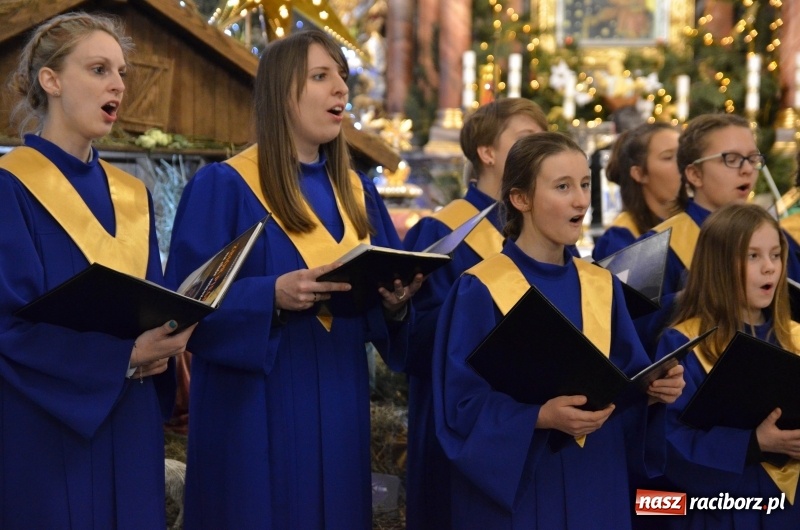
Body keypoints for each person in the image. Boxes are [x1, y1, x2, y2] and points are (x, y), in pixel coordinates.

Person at [165, 28, 420, 529]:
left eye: (341, 76)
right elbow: (183, 306)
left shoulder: (358, 193)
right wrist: (270, 296)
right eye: (321, 76)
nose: (341, 89)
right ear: (283, 92)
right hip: (255, 409)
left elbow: (383, 307)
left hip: (341, 400)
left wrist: (395, 304)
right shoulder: (225, 186)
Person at [432, 132, 684, 529]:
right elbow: (459, 407)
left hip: (596, 478)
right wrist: (537, 417)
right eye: (563, 187)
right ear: (521, 198)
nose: (581, 200)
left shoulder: (601, 285)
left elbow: (626, 386)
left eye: (584, 184)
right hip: (525, 486)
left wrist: (654, 390)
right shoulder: (480, 288)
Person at [0, 12, 194, 529]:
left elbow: (151, 304)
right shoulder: (10, 188)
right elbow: (6, 329)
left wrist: (169, 336)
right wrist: (122, 356)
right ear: (52, 80)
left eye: (121, 73)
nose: (118, 85)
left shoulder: (132, 196)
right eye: (99, 69)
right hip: (47, 435)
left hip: (130, 426)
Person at [401, 97, 547, 530]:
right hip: (461, 415)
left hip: (533, 414)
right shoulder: (442, 231)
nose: (541, 147)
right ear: (487, 152)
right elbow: (417, 338)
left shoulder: (543, 230)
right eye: (527, 138)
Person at [654, 203, 800, 528]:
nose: (769, 268)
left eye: (776, 255)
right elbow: (668, 442)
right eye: (753, 256)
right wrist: (753, 444)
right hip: (722, 509)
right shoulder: (685, 343)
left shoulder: (795, 337)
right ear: (718, 265)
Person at [592, 122, 683, 260]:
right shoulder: (620, 240)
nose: (683, 164)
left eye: (683, 155)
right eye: (668, 157)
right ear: (639, 174)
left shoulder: (694, 223)